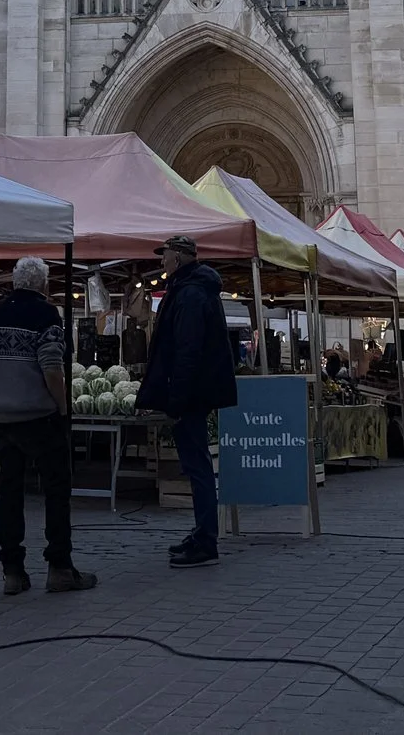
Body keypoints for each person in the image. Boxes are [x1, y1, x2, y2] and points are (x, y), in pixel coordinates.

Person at [0, 257, 96, 596]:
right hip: (40, 417)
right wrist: (62, 405)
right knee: (56, 491)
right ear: (44, 284)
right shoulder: (46, 316)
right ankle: (59, 567)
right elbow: (52, 367)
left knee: (10, 494)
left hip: (3, 419)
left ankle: (12, 572)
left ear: (14, 282)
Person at [139, 235, 239, 569]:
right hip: (194, 392)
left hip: (192, 395)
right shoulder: (190, 289)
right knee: (195, 465)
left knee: (197, 467)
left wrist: (177, 400)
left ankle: (207, 541)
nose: (161, 263)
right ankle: (201, 533)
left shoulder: (191, 293)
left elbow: (187, 350)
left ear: (180, 258)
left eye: (165, 256)